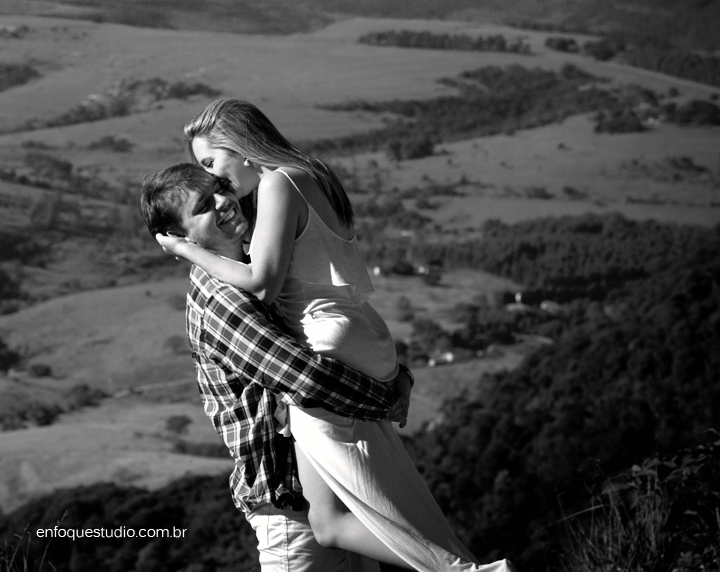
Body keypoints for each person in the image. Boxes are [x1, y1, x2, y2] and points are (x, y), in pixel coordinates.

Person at [155, 99, 516, 572]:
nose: (218, 182)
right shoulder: (314, 175)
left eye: (211, 164)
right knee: (353, 512)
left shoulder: (278, 184)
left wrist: (185, 248)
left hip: (324, 337)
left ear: (238, 146)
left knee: (331, 521)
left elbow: (262, 285)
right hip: (361, 331)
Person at [140, 163, 413, 572]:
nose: (223, 200)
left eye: (218, 187)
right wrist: (389, 395)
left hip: (329, 484)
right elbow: (306, 376)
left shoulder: (257, 263)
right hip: (292, 511)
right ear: (180, 238)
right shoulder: (223, 298)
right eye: (203, 205)